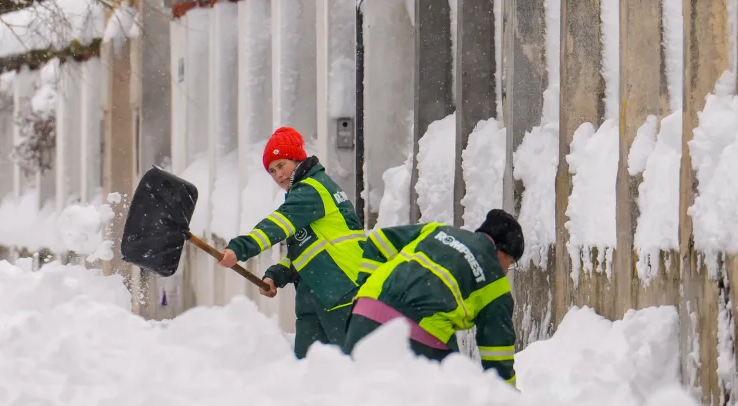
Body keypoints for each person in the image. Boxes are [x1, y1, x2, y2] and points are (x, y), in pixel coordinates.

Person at [218, 126, 365, 358]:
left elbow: (278, 224)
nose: (278, 175)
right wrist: (277, 274)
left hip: (341, 288)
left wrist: (239, 248)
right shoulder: (302, 193)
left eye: (281, 165)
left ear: (297, 160)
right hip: (314, 294)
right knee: (308, 372)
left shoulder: (314, 189)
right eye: (272, 170)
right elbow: (306, 248)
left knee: (349, 364)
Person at [342, 209, 524, 387]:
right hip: (421, 335)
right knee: (453, 391)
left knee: (356, 391)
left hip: (364, 314)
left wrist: (366, 287)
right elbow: (497, 354)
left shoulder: (437, 230)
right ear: (503, 253)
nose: (507, 270)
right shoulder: (496, 283)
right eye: (511, 262)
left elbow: (378, 240)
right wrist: (508, 396)